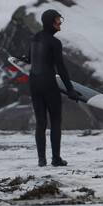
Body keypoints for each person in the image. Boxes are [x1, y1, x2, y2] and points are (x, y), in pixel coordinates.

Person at [28, 9, 81, 167]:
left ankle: (41, 160)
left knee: (40, 122)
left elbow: (28, 58)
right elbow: (61, 68)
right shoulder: (55, 42)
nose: (60, 23)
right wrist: (70, 89)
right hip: (49, 84)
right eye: (58, 20)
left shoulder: (35, 38)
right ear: (51, 22)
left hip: (34, 83)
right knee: (55, 121)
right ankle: (56, 158)